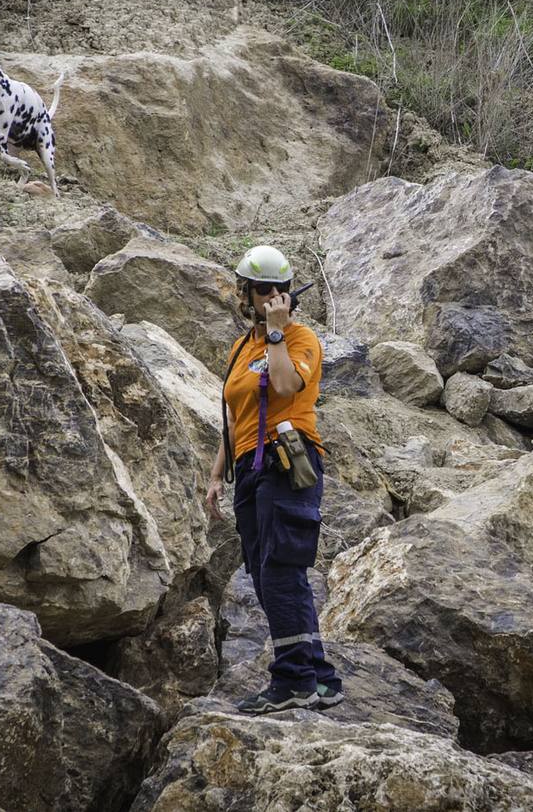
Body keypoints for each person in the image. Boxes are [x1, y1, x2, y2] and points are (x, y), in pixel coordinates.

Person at [204, 245, 345, 714]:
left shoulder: (300, 339)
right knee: (266, 575)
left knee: (280, 570)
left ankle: (293, 681)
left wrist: (278, 333)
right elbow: (233, 414)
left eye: (276, 290)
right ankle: (318, 677)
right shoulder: (242, 347)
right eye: (258, 290)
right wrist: (217, 474)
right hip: (249, 467)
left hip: (287, 462)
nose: (266, 297)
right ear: (247, 294)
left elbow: (284, 386)